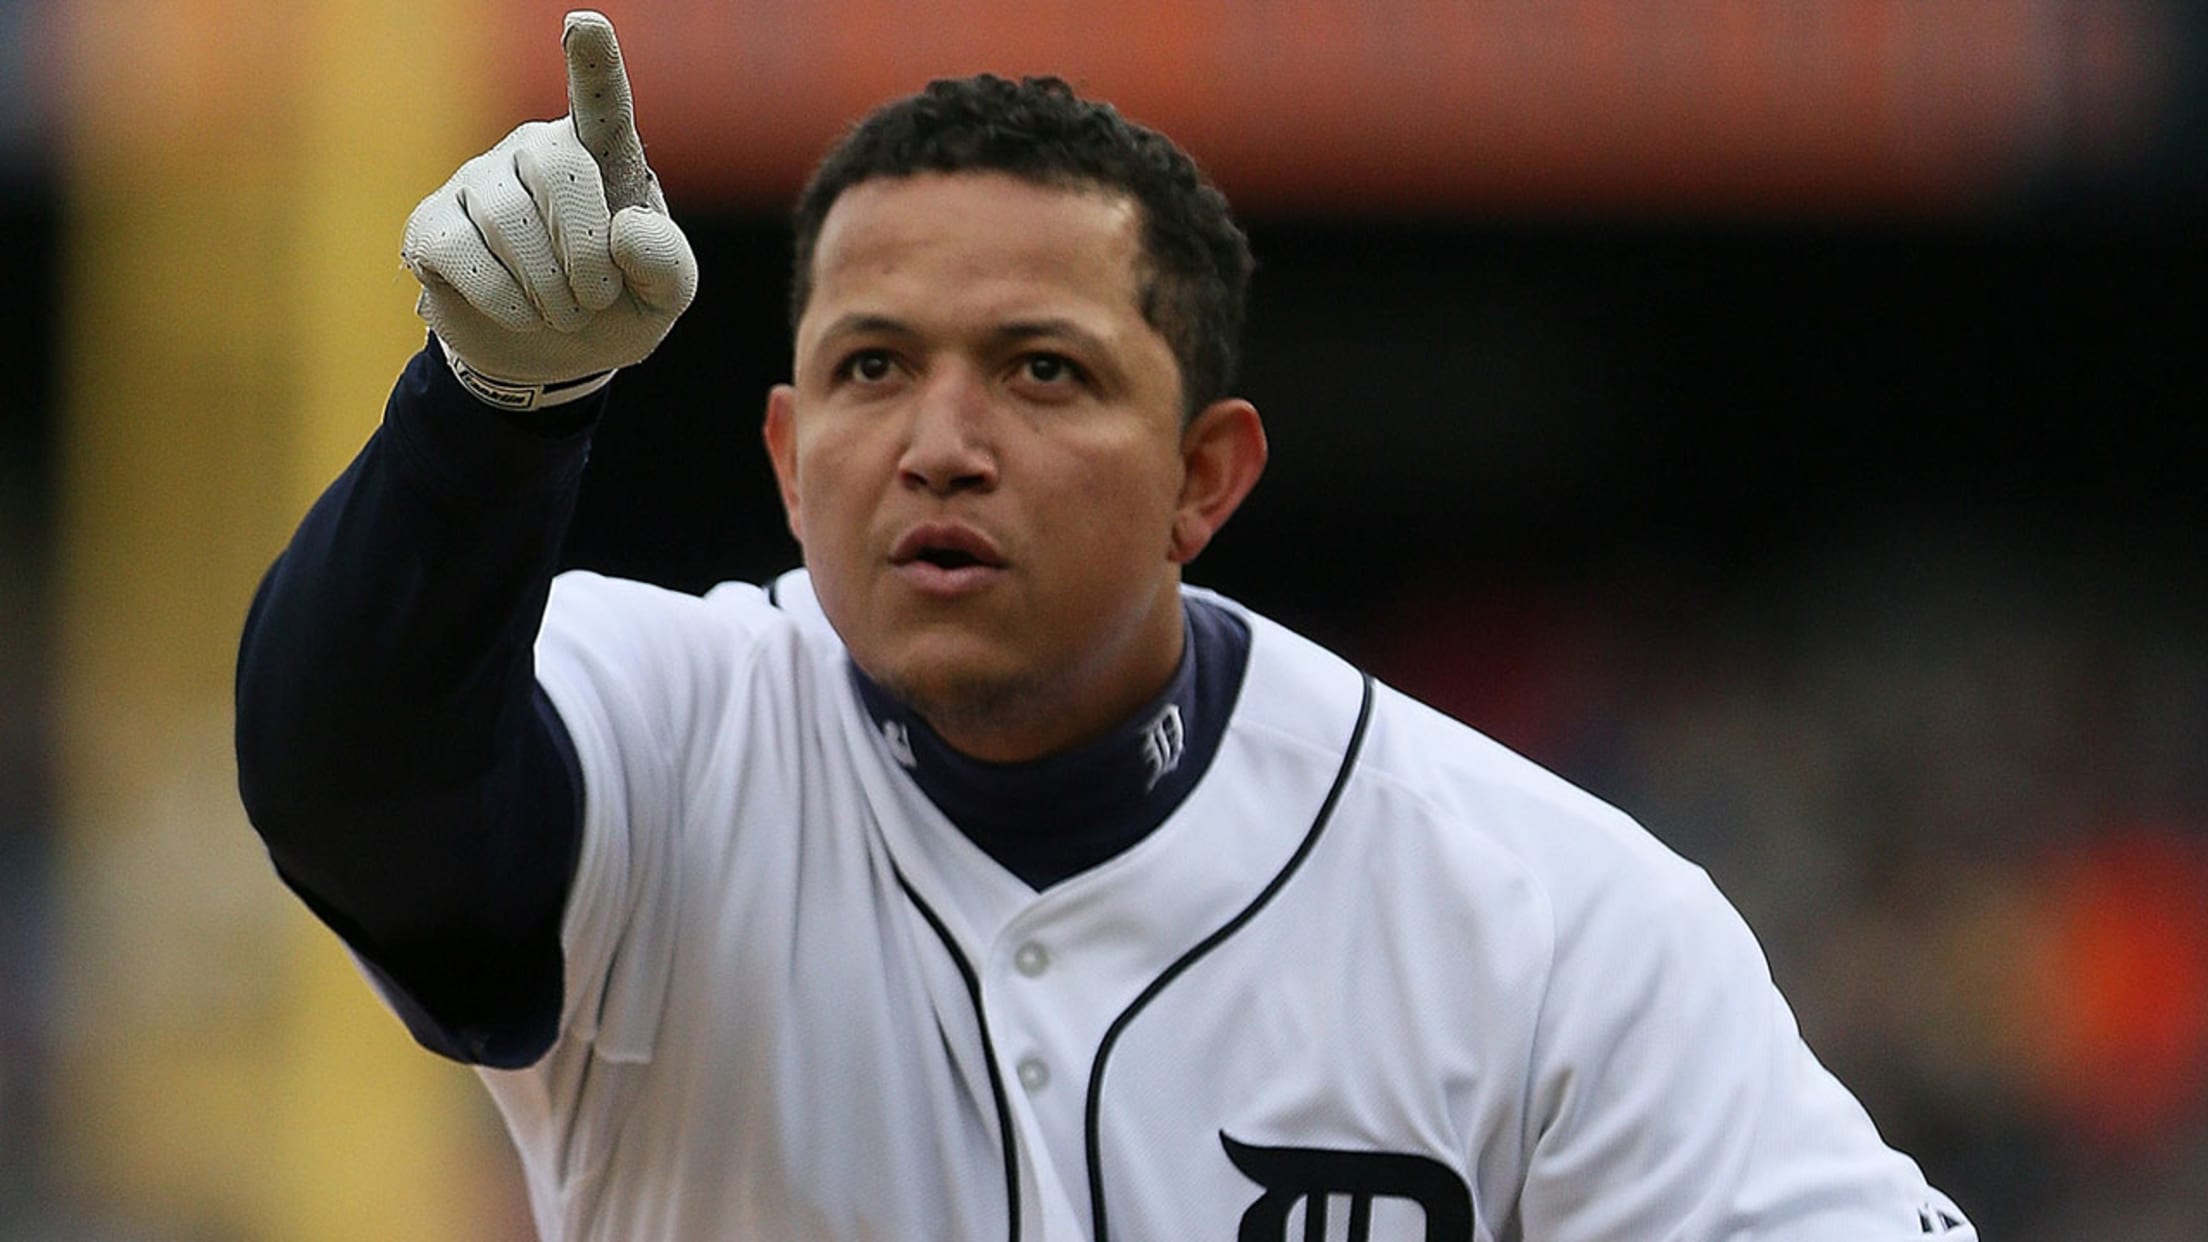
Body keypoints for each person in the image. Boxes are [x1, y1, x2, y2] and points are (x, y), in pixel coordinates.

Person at [234, 11, 1977, 1241]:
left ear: (1204, 477)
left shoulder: (1542, 912)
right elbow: (348, 789)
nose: (939, 441)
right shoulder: (668, 727)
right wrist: (485, 416)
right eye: (871, 367)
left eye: (1042, 371)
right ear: (785, 459)